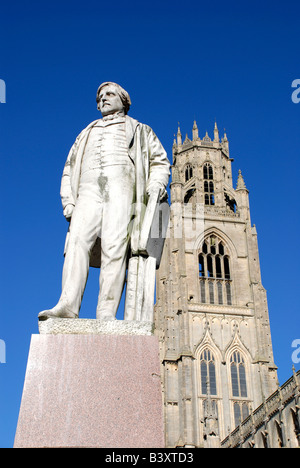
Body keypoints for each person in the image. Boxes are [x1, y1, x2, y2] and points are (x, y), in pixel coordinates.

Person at [39, 82, 170, 321]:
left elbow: (160, 162)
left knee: (115, 247)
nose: (103, 100)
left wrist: (156, 184)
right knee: (77, 243)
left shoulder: (140, 130)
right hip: (88, 191)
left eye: (109, 95)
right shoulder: (86, 131)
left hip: (122, 188)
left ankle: (106, 312)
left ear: (123, 100)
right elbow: (69, 168)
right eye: (100, 97)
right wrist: (68, 201)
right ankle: (67, 305)